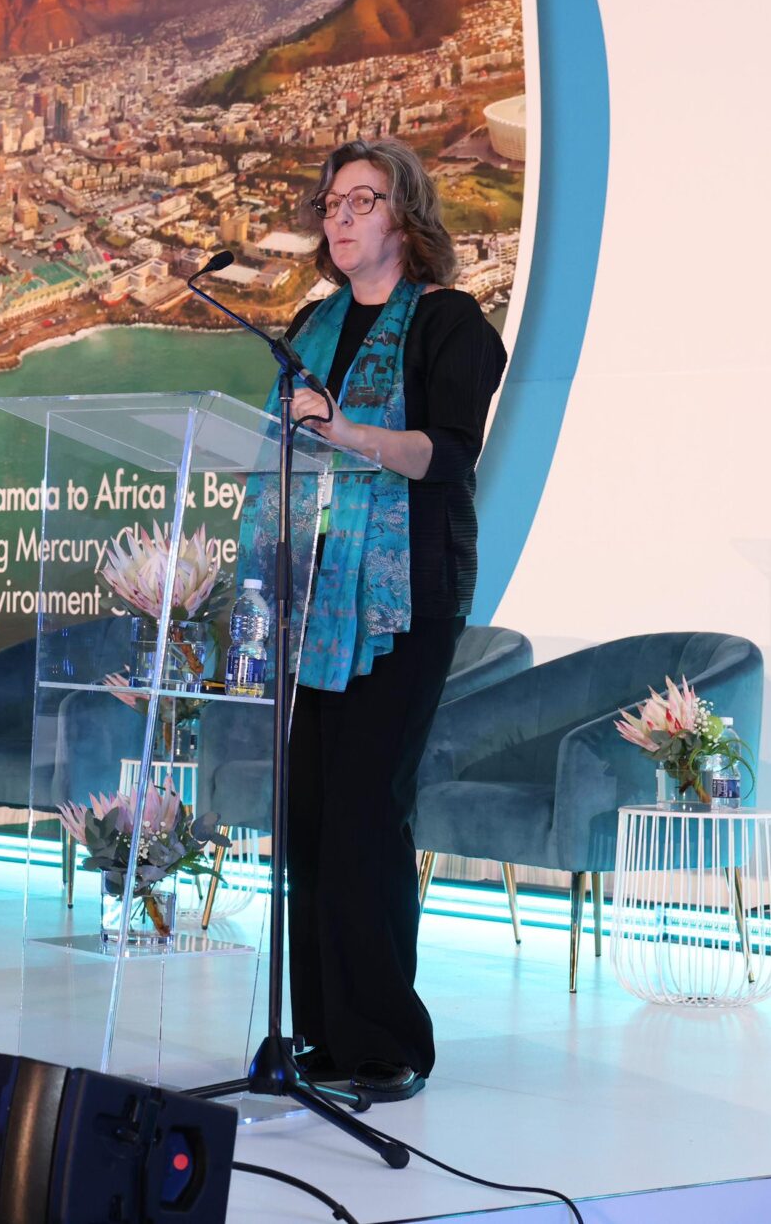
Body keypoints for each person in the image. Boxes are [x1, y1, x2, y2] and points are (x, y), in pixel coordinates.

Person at [273, 136, 507, 1104]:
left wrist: (344, 432)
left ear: (406, 217)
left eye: (361, 200)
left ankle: (385, 1042)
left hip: (405, 599)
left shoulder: (449, 322)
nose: (339, 215)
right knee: (313, 818)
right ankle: (324, 1036)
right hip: (315, 596)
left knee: (368, 812)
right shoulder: (311, 325)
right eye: (331, 202)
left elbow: (444, 455)